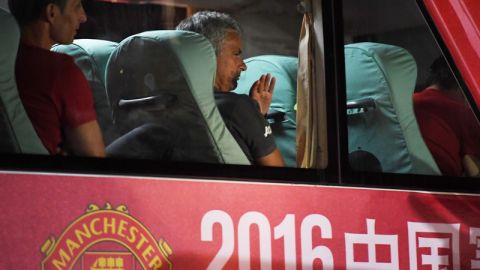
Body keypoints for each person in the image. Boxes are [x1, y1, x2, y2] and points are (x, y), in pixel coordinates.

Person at [176, 11, 284, 166]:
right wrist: (254, 116)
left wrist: (257, 117)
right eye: (236, 54)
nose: (243, 65)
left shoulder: (158, 105)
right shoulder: (238, 107)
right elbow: (277, 177)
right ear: (207, 55)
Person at [8, 0, 105, 157]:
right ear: (51, 12)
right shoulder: (60, 71)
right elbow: (95, 158)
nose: (83, 17)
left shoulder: (8, 60)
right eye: (76, 6)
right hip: (52, 178)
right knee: (148, 132)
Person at [414, 57, 480, 176]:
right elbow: (473, 169)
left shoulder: (407, 102)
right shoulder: (462, 113)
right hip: (445, 185)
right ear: (465, 85)